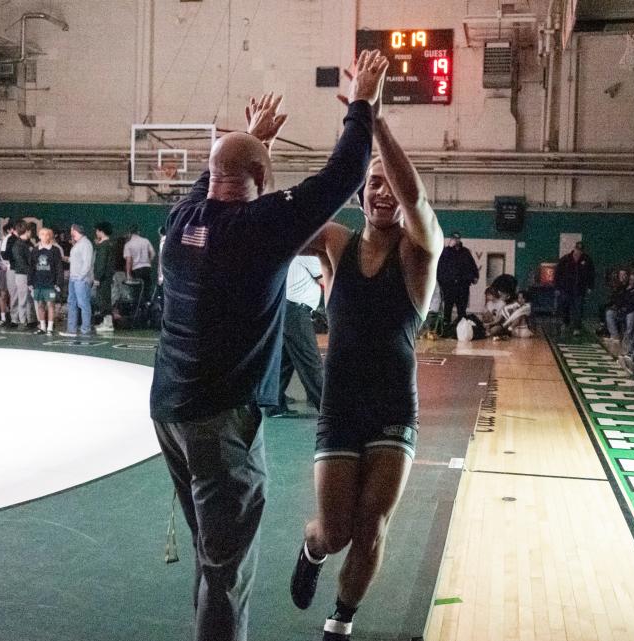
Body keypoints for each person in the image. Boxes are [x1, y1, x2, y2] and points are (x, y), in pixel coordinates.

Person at [150, 51, 386, 641]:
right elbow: (343, 175)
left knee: (212, 553)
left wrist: (252, 140)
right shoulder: (260, 226)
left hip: (169, 412)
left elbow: (220, 178)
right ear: (265, 183)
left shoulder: (180, 221)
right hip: (219, 419)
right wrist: (362, 102)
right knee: (227, 569)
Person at [290, 67, 444, 641]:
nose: (383, 192)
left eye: (389, 185)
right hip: (340, 407)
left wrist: (374, 122)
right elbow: (274, 230)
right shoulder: (335, 240)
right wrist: (257, 153)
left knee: (372, 527)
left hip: (392, 409)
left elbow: (417, 197)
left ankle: (340, 623)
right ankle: (312, 549)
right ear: (359, 194)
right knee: (336, 532)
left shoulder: (421, 247)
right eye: (372, 183)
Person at [268, 256, 325, 418]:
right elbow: (326, 280)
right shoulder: (307, 254)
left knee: (285, 361)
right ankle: (328, 409)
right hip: (296, 313)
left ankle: (274, 405)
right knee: (311, 361)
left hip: (288, 311)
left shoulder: (295, 251)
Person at [436, 231, 478, 326]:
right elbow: (440, 266)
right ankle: (446, 326)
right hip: (449, 286)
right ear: (451, 239)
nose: (456, 240)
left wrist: (475, 276)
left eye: (457, 238)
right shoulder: (445, 252)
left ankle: (461, 326)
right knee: (448, 307)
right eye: (454, 238)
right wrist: (442, 282)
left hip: (463, 285)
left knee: (462, 308)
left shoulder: (465, 252)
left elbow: (472, 265)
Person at [554, 241, 594, 336]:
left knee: (578, 308)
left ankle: (577, 327)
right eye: (577, 249)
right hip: (566, 288)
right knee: (565, 306)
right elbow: (557, 273)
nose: (579, 252)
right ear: (574, 248)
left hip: (580, 289)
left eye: (581, 250)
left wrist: (590, 286)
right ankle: (565, 322)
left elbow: (591, 274)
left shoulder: (587, 260)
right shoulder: (565, 259)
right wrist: (557, 287)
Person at [61, 224, 94, 336]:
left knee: (83, 304)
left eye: (71, 230)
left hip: (80, 279)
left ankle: (85, 329)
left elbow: (87, 263)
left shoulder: (85, 244)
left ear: (74, 231)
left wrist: (81, 277)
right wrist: (67, 259)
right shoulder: (78, 244)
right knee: (72, 303)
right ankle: (72, 330)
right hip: (73, 278)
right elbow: (77, 260)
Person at [31, 227, 64, 335]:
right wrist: (30, 282)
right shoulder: (35, 250)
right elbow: (31, 267)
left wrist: (58, 283)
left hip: (50, 283)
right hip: (38, 283)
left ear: (50, 236)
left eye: (47, 234)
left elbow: (59, 267)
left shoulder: (55, 250)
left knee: (50, 304)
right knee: (40, 304)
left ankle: (50, 327)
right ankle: (42, 327)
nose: (45, 236)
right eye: (42, 234)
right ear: (39, 236)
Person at [8, 221, 33, 330]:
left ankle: (28, 319)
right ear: (27, 231)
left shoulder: (27, 243)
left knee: (28, 298)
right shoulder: (18, 245)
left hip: (25, 273)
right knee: (22, 298)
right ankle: (22, 321)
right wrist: (30, 272)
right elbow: (21, 262)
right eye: (30, 231)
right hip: (22, 274)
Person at [123, 224, 156, 307]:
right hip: (147, 268)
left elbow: (129, 261)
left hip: (136, 269)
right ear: (138, 232)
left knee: (137, 293)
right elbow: (153, 253)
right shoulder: (146, 241)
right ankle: (148, 308)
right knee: (147, 290)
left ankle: (139, 310)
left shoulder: (128, 244)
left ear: (130, 233)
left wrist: (128, 274)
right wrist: (148, 261)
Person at [93, 222, 116, 333]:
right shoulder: (109, 244)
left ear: (101, 231)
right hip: (107, 277)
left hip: (103, 278)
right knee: (105, 299)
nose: (96, 233)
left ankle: (108, 324)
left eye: (97, 231)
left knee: (103, 300)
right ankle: (106, 322)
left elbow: (101, 263)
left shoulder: (104, 246)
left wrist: (97, 277)